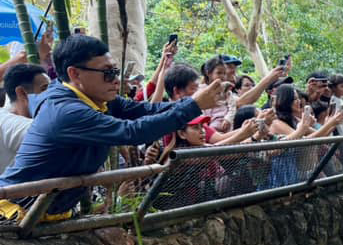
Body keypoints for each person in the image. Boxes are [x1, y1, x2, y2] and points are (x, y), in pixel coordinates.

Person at [0, 34, 223, 221]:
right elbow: (132, 132)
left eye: (115, 72)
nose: (116, 80)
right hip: (16, 212)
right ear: (74, 74)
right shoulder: (67, 111)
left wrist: (190, 104)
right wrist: (193, 105)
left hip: (45, 213)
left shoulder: (97, 98)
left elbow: (145, 110)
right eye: (108, 73)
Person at [0, 64, 49, 174]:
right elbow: (51, 135)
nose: (51, 95)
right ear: (22, 93)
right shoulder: (7, 122)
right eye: (44, 89)